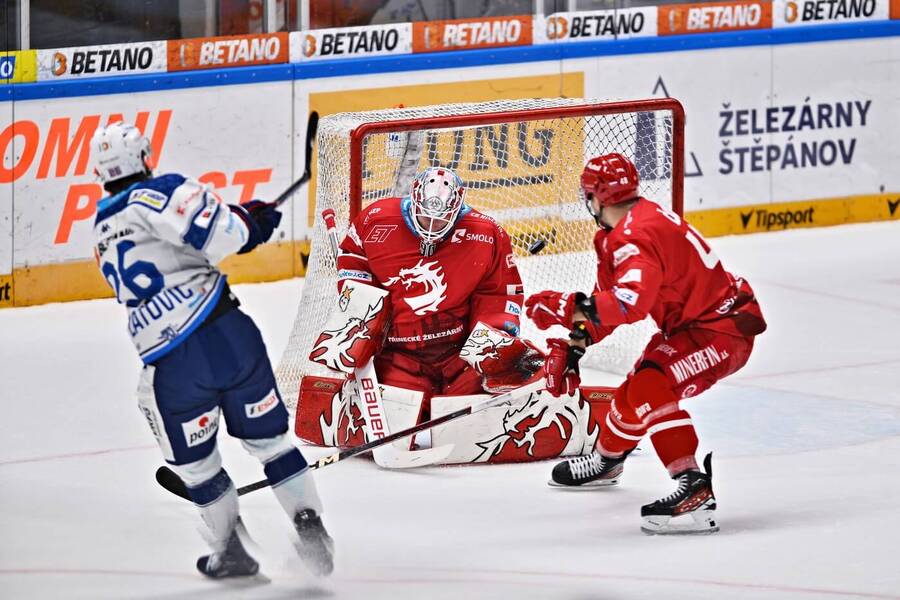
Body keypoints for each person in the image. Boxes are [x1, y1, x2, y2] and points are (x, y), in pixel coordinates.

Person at [90, 122, 334, 577]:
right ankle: (309, 522)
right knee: (272, 443)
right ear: (143, 157)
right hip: (227, 336)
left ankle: (230, 550)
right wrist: (250, 223)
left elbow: (182, 244)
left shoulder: (103, 227)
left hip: (172, 364)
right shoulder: (157, 191)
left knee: (199, 468)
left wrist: (243, 219)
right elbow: (221, 234)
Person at [525, 153, 767, 535]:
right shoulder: (618, 232)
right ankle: (608, 461)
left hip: (722, 330)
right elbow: (605, 303)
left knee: (652, 386)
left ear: (596, 197)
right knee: (631, 394)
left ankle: (693, 488)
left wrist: (559, 306)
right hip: (692, 327)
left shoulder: (634, 236)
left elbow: (628, 305)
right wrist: (574, 347)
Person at [335, 166, 532, 419]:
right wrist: (360, 325)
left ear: (457, 209)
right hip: (398, 355)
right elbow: (354, 265)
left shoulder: (486, 234)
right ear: (413, 200)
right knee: (400, 420)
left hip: (458, 356)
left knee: (473, 425)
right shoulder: (376, 220)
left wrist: (494, 339)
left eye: (439, 220)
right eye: (425, 217)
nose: (431, 226)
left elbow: (499, 293)